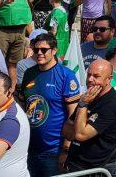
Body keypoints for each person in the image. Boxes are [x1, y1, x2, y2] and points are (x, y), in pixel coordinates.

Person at [20, 33, 81, 177]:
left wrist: (66, 148)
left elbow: (74, 115)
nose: (39, 53)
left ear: (54, 51)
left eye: (44, 50)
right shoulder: (29, 73)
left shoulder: (66, 75)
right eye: (36, 50)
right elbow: (24, 105)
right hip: (29, 148)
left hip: (53, 151)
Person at [61, 59, 116, 175]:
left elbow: (80, 134)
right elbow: (67, 131)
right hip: (75, 163)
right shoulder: (89, 97)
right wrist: (79, 126)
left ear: (109, 79)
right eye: (89, 75)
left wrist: (83, 105)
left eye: (96, 76)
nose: (90, 79)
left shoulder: (111, 104)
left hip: (97, 169)